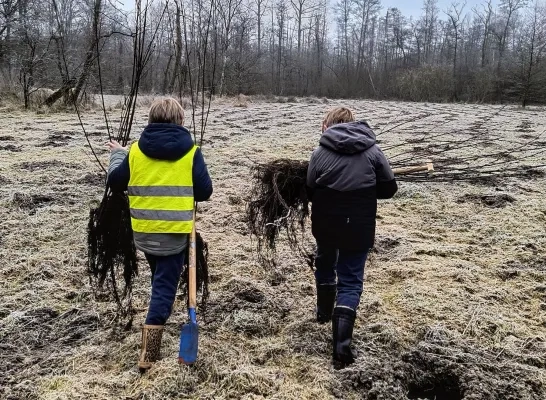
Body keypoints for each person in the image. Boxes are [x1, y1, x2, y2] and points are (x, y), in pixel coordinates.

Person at [107, 97, 213, 370]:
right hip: (175, 233)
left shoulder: (135, 151)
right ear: (181, 121)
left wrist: (118, 154)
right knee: (164, 289)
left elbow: (115, 182)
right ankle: (148, 354)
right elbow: (205, 192)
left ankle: (159, 310)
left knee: (160, 279)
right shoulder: (191, 151)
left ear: (151, 120)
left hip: (143, 231)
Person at [306, 107, 397, 367]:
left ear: (328, 125)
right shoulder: (373, 152)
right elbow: (390, 188)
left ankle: (324, 313)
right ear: (353, 124)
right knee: (350, 281)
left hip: (326, 224)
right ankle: (341, 349)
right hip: (358, 226)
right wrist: (367, 188)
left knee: (325, 261)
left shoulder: (319, 153)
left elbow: (311, 189)